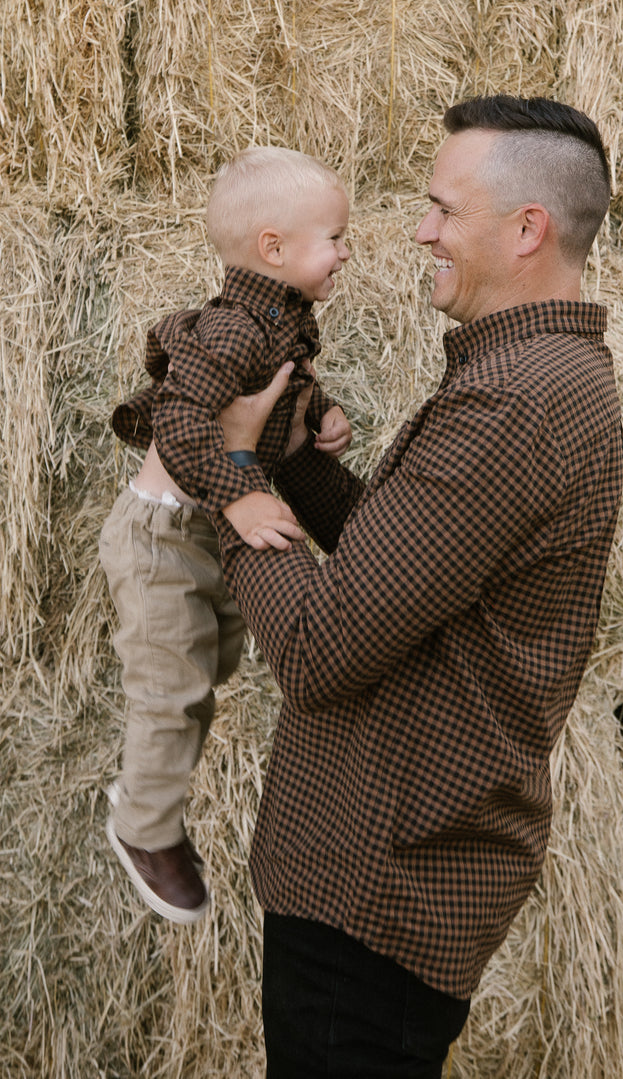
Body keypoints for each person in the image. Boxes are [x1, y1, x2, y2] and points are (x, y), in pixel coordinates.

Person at [214, 94, 623, 1075]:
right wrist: (299, 464)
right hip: (393, 873)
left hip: (377, 886)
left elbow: (318, 649)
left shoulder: (513, 402)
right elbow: (406, 578)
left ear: (528, 230)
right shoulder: (539, 377)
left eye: (443, 208)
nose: (419, 229)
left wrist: (229, 476)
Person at [99, 146, 352, 924]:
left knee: (215, 661)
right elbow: (179, 418)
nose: (346, 253)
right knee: (172, 692)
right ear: (273, 249)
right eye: (336, 238)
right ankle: (142, 827)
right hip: (161, 535)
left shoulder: (280, 326)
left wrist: (317, 415)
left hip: (200, 528)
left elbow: (271, 398)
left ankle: (153, 770)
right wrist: (241, 490)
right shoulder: (232, 328)